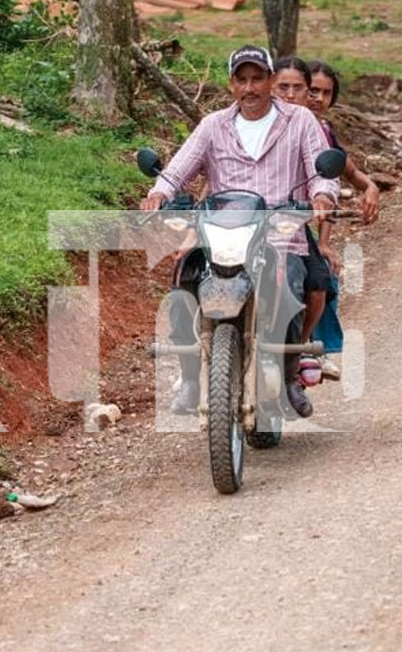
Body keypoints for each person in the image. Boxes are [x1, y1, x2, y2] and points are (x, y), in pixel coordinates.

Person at [141, 44, 339, 418]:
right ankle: (190, 380)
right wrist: (158, 193)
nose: (250, 88)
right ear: (231, 85)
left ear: (269, 81)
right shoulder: (213, 125)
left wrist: (323, 197)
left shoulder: (300, 121)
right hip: (219, 238)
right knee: (183, 285)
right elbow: (177, 169)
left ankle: (288, 372)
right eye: (241, 80)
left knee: (292, 286)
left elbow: (319, 172)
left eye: (257, 78)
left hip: (280, 235)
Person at [304, 60, 381, 381]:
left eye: (326, 93)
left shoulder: (322, 133)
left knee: (321, 275)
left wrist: (370, 186)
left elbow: (336, 178)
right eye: (312, 90)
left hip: (291, 222)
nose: (317, 98)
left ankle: (316, 346)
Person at [272, 56, 334, 360]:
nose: (290, 94)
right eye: (283, 87)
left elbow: (327, 175)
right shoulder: (241, 122)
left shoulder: (308, 126)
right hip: (241, 220)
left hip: (288, 223)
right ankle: (195, 362)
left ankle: (299, 352)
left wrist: (323, 238)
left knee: (315, 282)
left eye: (299, 88)